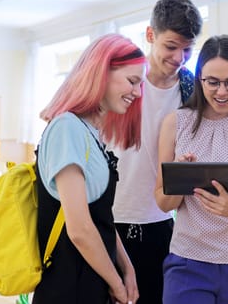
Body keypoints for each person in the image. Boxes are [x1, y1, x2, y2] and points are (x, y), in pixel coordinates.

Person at [154, 34, 228, 304]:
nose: (222, 92)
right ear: (199, 80)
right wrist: (180, 179)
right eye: (213, 82)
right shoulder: (175, 123)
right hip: (188, 260)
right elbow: (163, 202)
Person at [33, 33, 145, 304]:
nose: (137, 92)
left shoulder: (91, 133)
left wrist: (127, 267)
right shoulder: (66, 128)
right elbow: (80, 229)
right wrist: (116, 283)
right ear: (102, 72)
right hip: (68, 289)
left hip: (91, 284)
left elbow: (98, 217)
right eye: (132, 81)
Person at [110, 0, 202, 304]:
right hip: (111, 219)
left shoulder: (190, 89)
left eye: (187, 49)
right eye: (171, 47)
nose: (179, 58)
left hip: (161, 222)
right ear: (150, 35)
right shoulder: (122, 80)